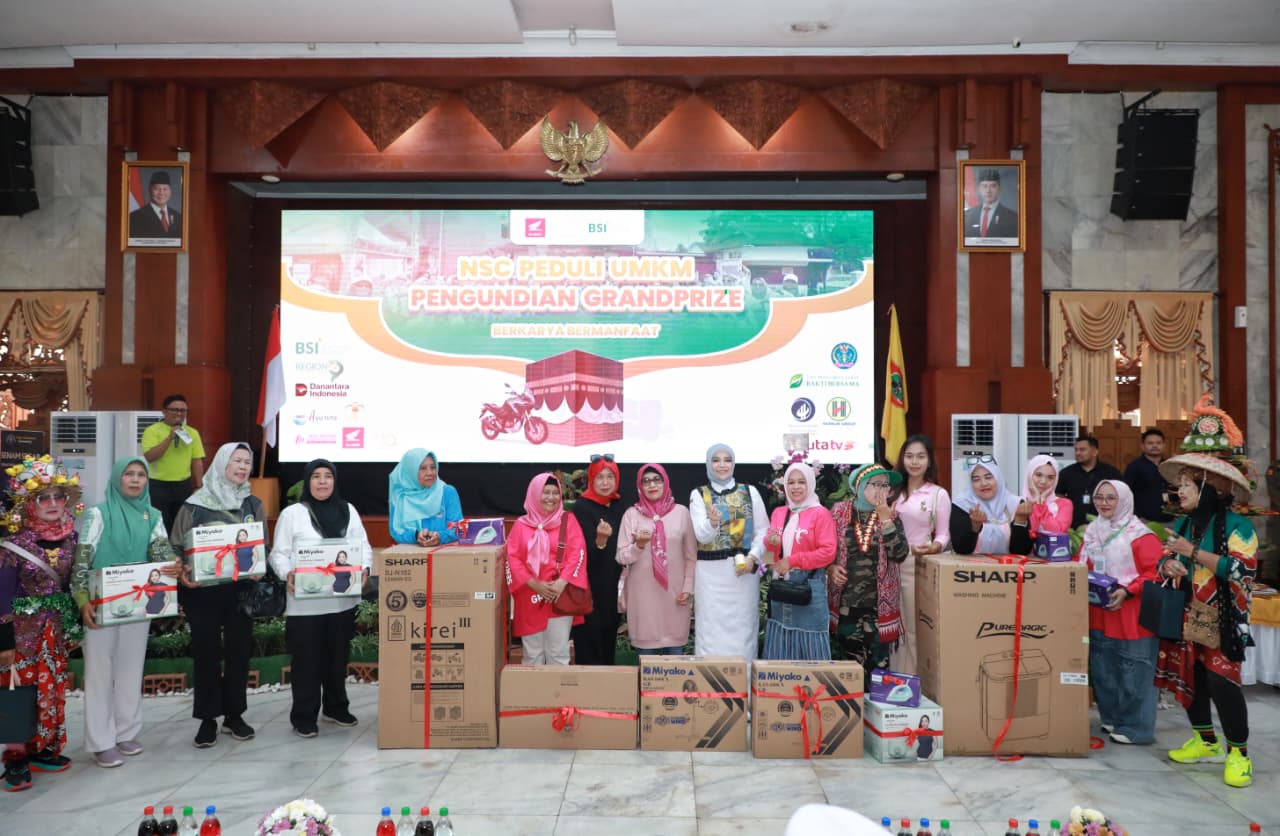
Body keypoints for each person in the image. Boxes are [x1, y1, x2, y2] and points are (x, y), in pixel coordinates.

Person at [1154, 397, 1258, 788]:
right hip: (1187, 615)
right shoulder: (1185, 524)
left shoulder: (1238, 527)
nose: (1179, 491)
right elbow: (1164, 561)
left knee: (1221, 683)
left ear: (1208, 488)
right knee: (1191, 679)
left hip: (1223, 619)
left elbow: (1242, 572)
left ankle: (1239, 754)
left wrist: (1193, 554)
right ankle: (1205, 740)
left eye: (1186, 484)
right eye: (1180, 483)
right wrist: (1170, 565)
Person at [70, 456, 180, 768]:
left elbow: (161, 553)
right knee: (100, 672)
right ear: (117, 478)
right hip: (100, 605)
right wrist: (82, 600)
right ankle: (101, 741)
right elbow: (82, 559)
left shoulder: (152, 515)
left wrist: (173, 565)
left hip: (137, 604)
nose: (135, 480)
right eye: (128, 474)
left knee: (131, 669)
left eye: (141, 475)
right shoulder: (98, 514)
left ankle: (126, 732)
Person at [170, 442, 266, 748]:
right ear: (222, 463)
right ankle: (208, 719)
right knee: (206, 654)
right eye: (236, 460)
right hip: (203, 594)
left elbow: (261, 545)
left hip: (240, 592)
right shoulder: (194, 505)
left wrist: (260, 566)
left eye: (247, 462)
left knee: (239, 653)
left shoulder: (253, 504)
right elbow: (175, 546)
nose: (242, 467)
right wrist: (182, 569)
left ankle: (234, 715)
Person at [268, 459, 371, 738]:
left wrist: (365, 568)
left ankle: (336, 707)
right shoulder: (292, 514)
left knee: (337, 658)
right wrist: (287, 573)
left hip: (341, 601)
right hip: (305, 604)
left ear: (335, 481)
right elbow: (278, 554)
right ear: (307, 481)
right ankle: (304, 715)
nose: (323, 481)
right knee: (306, 661)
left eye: (328, 476)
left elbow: (363, 545)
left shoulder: (348, 510)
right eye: (316, 476)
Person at [0, 456, 82, 792]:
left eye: (57, 497)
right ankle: (15, 759)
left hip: (55, 632)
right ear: (29, 505)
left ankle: (41, 748)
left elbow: (75, 584)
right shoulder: (13, 545)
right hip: (21, 636)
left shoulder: (72, 539)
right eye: (42, 498)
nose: (52, 504)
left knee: (51, 690)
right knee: (17, 693)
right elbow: (2, 595)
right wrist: (4, 642)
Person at [1076, 479, 1162, 745]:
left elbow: (1156, 573)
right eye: (1099, 497)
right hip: (1100, 614)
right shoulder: (1093, 532)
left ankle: (1136, 728)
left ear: (1124, 500)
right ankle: (1112, 718)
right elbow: (1081, 564)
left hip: (1131, 616)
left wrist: (1128, 589)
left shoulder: (1141, 535)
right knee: (1104, 670)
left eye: (1111, 498)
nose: (1104, 503)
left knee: (1134, 672)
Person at [689, 443, 767, 659]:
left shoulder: (750, 492)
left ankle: (744, 678)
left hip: (743, 574)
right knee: (709, 628)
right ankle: (709, 679)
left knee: (744, 627)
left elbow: (763, 530)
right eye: (716, 460)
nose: (722, 465)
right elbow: (701, 536)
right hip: (710, 576)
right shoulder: (699, 494)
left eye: (727, 460)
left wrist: (753, 557)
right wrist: (713, 523)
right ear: (708, 464)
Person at [830, 464, 908, 675]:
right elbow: (826, 549)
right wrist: (830, 568)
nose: (882, 490)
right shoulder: (838, 512)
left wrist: (886, 520)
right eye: (876, 484)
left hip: (879, 607)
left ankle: (876, 697)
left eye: (886, 486)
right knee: (849, 669)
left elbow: (900, 554)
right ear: (860, 485)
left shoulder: (892, 515)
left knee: (879, 668)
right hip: (847, 604)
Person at [507, 473, 588, 665]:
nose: (551, 497)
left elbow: (578, 553)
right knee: (532, 655)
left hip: (559, 595)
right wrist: (535, 584)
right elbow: (512, 558)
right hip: (529, 596)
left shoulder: (568, 520)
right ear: (535, 494)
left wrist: (561, 583)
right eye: (545, 492)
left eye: (555, 493)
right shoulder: (520, 525)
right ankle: (533, 687)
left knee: (558, 654)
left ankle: (557, 687)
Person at [617, 464, 697, 655]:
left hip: (675, 596)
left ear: (665, 482)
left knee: (675, 662)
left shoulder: (681, 513)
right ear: (640, 486)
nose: (652, 485)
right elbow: (621, 556)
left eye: (656, 480)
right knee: (647, 664)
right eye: (646, 481)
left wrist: (687, 588)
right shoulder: (631, 515)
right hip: (643, 597)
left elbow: (691, 557)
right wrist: (638, 546)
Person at [762, 462, 837, 660]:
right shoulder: (779, 513)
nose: (796, 487)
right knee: (780, 646)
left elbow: (828, 553)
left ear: (810, 484)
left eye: (801, 482)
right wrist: (771, 544)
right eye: (791, 482)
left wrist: (793, 561)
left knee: (812, 649)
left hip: (809, 586)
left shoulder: (820, 514)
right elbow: (769, 557)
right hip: (781, 588)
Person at [890, 434, 951, 673]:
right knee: (890, 628)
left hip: (915, 566)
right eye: (909, 456)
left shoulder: (938, 494)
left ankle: (912, 681)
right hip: (886, 566)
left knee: (913, 628)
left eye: (920, 457)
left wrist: (936, 546)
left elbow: (943, 534)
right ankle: (892, 678)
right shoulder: (890, 491)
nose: (914, 462)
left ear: (929, 461)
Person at [569, 454, 626, 665]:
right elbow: (580, 554)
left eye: (610, 477)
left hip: (612, 586)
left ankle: (607, 685)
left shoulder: (619, 505)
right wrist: (600, 540)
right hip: (589, 587)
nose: (605, 482)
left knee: (609, 639)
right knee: (589, 643)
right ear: (591, 480)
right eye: (600, 477)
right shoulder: (582, 507)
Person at [141, 394, 206, 530]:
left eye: (183, 410)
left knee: (182, 524)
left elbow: (197, 461)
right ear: (164, 411)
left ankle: (177, 545)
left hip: (183, 486)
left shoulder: (192, 433)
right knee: (159, 524)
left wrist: (199, 486)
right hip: (158, 485)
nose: (179, 414)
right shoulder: (152, 431)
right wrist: (170, 438)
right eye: (174, 410)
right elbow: (150, 457)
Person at [949, 458, 1033, 555]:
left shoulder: (1016, 504)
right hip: (969, 564)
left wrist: (1020, 521)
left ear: (998, 478)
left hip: (1008, 564)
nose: (984, 483)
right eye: (976, 479)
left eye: (988, 477)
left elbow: (1022, 551)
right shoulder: (962, 504)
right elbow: (960, 549)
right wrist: (975, 527)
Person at [387, 449, 462, 547]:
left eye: (433, 467)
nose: (430, 472)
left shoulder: (447, 492)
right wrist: (416, 536)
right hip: (412, 554)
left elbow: (458, 528)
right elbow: (396, 532)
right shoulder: (400, 497)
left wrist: (440, 537)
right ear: (410, 471)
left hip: (444, 552)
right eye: (423, 468)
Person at [1057, 435, 1124, 529]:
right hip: (1074, 526)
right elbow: (1058, 495)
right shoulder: (1066, 473)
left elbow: (1122, 496)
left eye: (1082, 450)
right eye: (1076, 450)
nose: (1078, 453)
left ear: (1095, 452)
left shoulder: (1111, 473)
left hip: (1104, 526)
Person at [1124, 428, 1173, 522]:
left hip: (1170, 519)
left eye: (1158, 443)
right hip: (1144, 520)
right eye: (1150, 443)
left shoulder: (1170, 465)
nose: (1155, 446)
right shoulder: (1134, 466)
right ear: (1142, 446)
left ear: (1164, 445)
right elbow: (1125, 493)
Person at [963, 167, 1019, 240]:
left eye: (993, 186)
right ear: (979, 189)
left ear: (999, 188)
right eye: (984, 186)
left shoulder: (1012, 217)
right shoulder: (968, 215)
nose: (988, 191)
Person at [1025, 454, 1073, 534]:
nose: (1043, 481)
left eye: (1050, 478)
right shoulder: (1019, 503)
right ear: (1029, 475)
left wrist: (1040, 503)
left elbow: (1058, 533)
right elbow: (1031, 533)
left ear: (1056, 480)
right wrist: (1036, 500)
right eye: (1039, 475)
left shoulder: (1065, 504)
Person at [128, 170, 182, 239]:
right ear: (150, 190)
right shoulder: (135, 218)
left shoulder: (178, 217)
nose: (161, 193)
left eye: (165, 189)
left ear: (170, 191)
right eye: (156, 189)